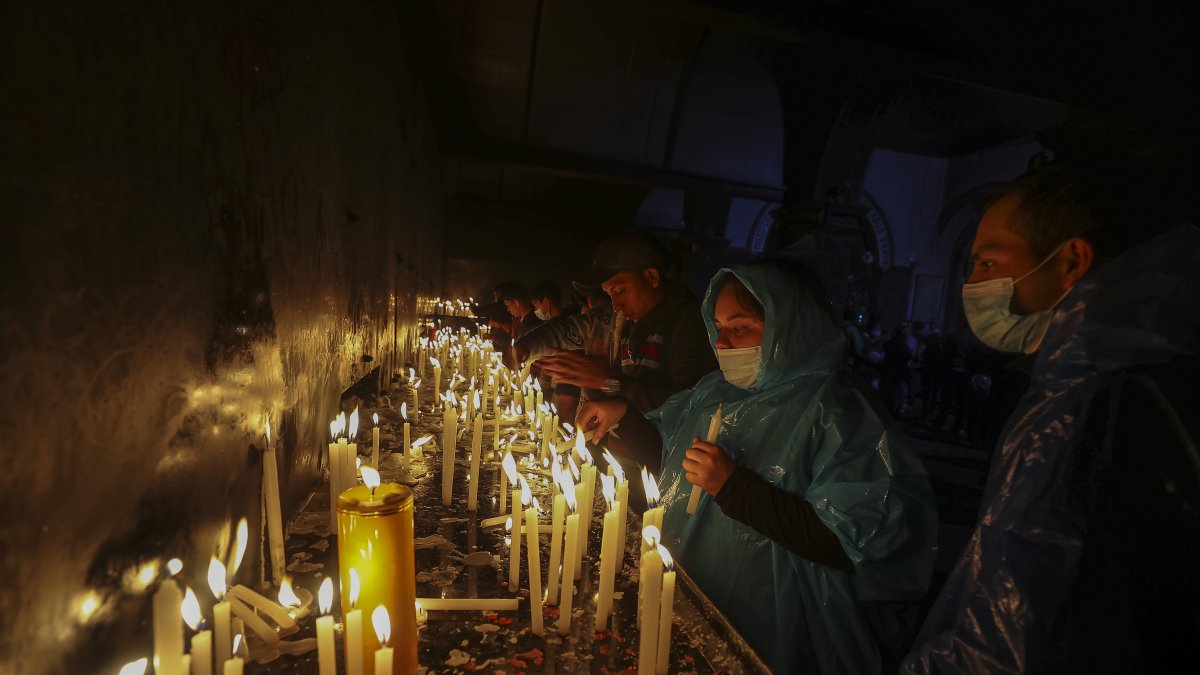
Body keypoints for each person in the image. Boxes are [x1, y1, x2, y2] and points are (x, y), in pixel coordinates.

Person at [902, 162, 1200, 673]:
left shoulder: (1086, 404)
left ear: (1072, 261)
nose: (970, 284)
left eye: (987, 264)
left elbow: (1010, 639)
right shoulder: (1132, 378)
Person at [579, 261, 938, 674]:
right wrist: (623, 414)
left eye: (741, 327)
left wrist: (733, 486)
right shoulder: (716, 391)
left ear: (789, 327)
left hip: (782, 618)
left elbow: (847, 539)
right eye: (718, 328)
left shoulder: (837, 410)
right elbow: (673, 460)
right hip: (697, 589)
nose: (725, 343)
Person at [537, 234, 717, 415]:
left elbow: (689, 405)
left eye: (620, 290)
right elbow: (618, 390)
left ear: (652, 277)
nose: (616, 306)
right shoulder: (630, 324)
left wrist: (607, 381)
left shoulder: (692, 321)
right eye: (609, 294)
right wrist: (591, 376)